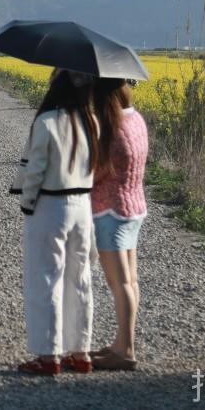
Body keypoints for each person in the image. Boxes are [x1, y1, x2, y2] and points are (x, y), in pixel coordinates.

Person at [9, 68, 99, 375]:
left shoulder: (46, 122)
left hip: (51, 205)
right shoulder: (93, 122)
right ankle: (81, 352)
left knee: (46, 279)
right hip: (83, 207)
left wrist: (26, 203)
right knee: (80, 278)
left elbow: (35, 170)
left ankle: (48, 356)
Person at [88, 77, 148, 370]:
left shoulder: (112, 127)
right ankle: (122, 343)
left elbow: (98, 172)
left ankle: (126, 350)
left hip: (110, 212)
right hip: (134, 207)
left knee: (119, 282)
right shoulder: (136, 119)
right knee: (131, 280)